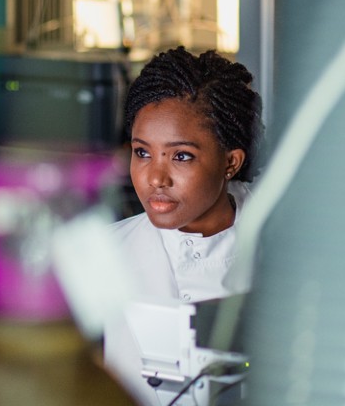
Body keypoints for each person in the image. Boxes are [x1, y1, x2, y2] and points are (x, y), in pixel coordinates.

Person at [103, 46, 263, 404]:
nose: (155, 178)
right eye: (142, 152)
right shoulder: (107, 254)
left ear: (230, 162)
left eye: (181, 156)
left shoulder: (287, 235)